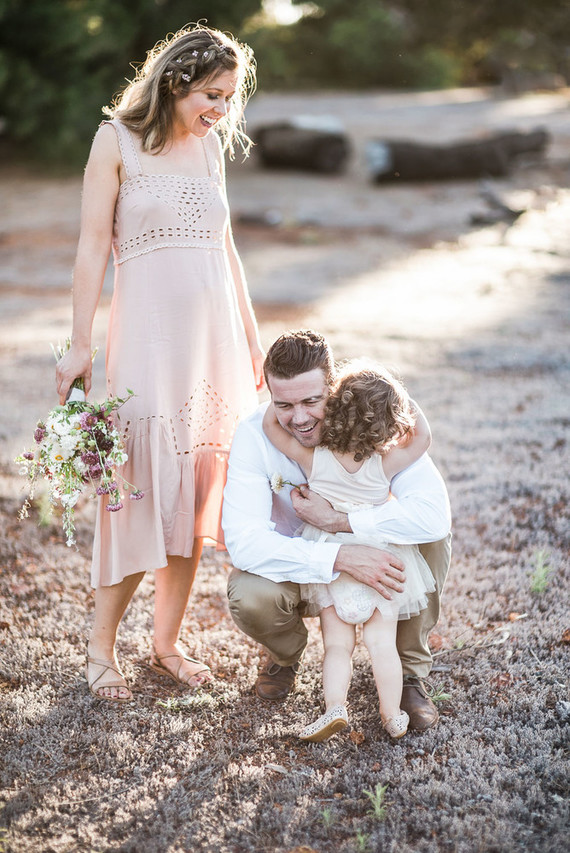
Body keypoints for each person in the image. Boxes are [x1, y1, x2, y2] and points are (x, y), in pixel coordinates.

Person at [55, 24, 264, 702]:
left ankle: (166, 642)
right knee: (137, 492)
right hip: (146, 344)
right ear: (175, 80)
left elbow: (225, 250)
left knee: (196, 490)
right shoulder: (113, 140)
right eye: (213, 94)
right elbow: (91, 250)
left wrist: (254, 339)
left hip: (213, 341)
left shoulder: (210, 149)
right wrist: (77, 344)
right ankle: (100, 647)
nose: (221, 111)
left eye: (230, 99)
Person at [222, 330, 452, 731]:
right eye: (284, 405)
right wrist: (341, 556)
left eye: (311, 401)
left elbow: (433, 517)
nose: (298, 417)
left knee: (429, 539)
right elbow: (244, 544)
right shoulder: (253, 434)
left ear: (336, 388)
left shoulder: (375, 432)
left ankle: (409, 674)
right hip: (299, 566)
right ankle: (285, 656)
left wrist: (340, 523)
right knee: (250, 593)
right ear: (269, 397)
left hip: (375, 561)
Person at [262, 359, 436, 740]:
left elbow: (270, 427)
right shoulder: (384, 465)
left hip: (333, 561)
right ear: (388, 422)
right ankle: (392, 714)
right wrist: (399, 391)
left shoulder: (314, 459)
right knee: (380, 644)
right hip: (379, 561)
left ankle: (335, 708)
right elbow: (422, 436)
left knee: (338, 646)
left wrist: (285, 403)